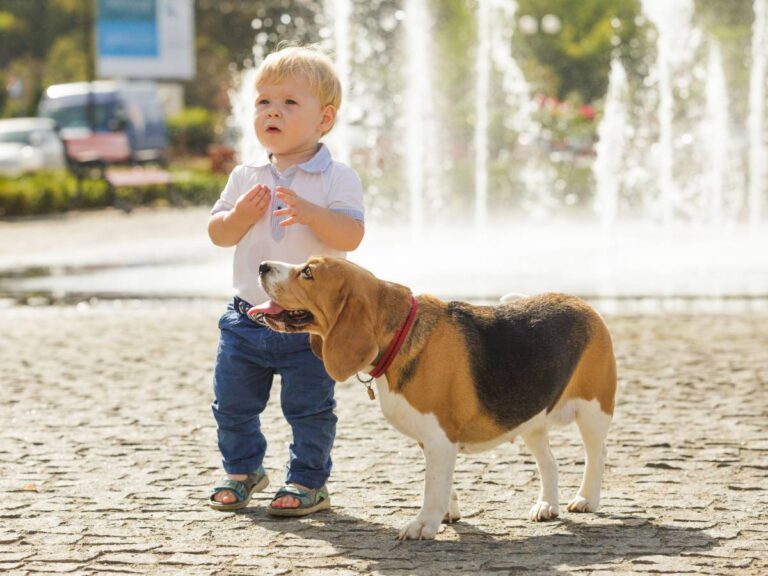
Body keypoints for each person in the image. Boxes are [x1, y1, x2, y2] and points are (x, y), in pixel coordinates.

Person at [207, 43, 365, 516]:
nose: (272, 111)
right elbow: (218, 233)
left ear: (325, 119)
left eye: (289, 102)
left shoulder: (336, 177)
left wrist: (313, 214)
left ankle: (307, 481)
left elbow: (351, 236)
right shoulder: (246, 175)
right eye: (263, 101)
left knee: (309, 408)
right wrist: (239, 216)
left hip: (308, 324)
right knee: (232, 403)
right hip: (247, 318)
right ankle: (242, 470)